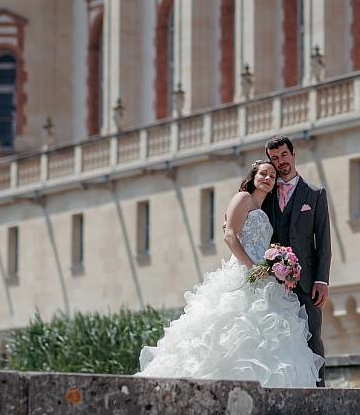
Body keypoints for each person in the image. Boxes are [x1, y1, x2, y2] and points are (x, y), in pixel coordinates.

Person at [135, 158, 323, 385]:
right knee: (232, 327)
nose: (268, 178)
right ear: (253, 177)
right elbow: (230, 235)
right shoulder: (243, 198)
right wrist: (251, 267)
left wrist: (275, 264)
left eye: (272, 177)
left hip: (263, 277)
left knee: (264, 336)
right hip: (244, 273)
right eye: (263, 174)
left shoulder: (264, 209)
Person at [261, 134, 331, 385]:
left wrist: (322, 280)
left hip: (307, 282)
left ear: (293, 154)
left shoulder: (315, 194)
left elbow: (322, 241)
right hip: (272, 283)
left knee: (312, 338)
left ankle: (320, 392)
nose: (281, 162)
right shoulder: (265, 195)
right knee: (276, 339)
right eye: (275, 158)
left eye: (284, 155)